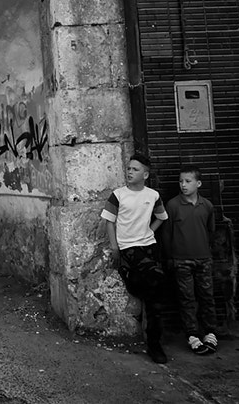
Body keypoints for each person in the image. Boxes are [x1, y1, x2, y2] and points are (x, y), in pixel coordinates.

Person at [101, 153, 169, 363]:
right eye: (129, 168)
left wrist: (149, 231)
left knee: (154, 295)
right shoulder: (118, 195)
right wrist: (114, 247)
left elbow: (162, 217)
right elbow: (109, 221)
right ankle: (150, 338)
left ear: (145, 174)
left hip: (149, 247)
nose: (130, 172)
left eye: (135, 169)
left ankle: (154, 345)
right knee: (145, 286)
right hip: (128, 249)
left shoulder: (153, 195)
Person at [163, 164, 219, 355]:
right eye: (181, 181)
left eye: (188, 181)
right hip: (181, 260)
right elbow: (167, 234)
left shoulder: (207, 206)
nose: (183, 185)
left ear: (199, 183)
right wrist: (170, 258)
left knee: (207, 296)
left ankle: (210, 332)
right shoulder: (172, 205)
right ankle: (192, 335)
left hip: (204, 258)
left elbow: (211, 231)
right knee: (187, 298)